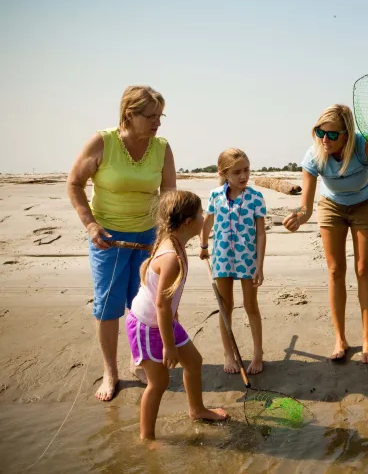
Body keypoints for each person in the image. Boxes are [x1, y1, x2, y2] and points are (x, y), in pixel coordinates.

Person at [67, 85, 177, 401]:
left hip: (149, 237)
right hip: (109, 238)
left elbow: (168, 194)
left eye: (160, 115)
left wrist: (166, 237)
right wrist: (90, 224)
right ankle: (110, 371)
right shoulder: (102, 142)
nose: (157, 122)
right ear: (129, 114)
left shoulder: (162, 147)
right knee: (108, 305)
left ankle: (138, 360)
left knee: (142, 303)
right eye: (150, 116)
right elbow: (74, 184)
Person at [282, 104, 368, 364]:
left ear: (347, 134)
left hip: (365, 203)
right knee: (335, 270)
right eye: (321, 133)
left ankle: (367, 340)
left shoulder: (366, 145)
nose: (325, 140)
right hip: (331, 205)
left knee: (364, 269)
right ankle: (340, 338)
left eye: (332, 135)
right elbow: (306, 208)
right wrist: (298, 217)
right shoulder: (314, 155)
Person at [126, 190, 228, 440]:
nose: (204, 217)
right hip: (146, 326)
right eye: (201, 214)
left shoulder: (177, 243)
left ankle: (197, 409)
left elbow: (169, 298)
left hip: (165, 321)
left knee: (193, 361)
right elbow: (161, 304)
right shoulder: (171, 256)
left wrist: (175, 318)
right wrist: (169, 346)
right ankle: (146, 437)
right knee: (158, 383)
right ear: (187, 223)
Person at [200, 148, 267, 375]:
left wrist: (259, 264)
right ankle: (229, 354)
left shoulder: (256, 197)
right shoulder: (215, 195)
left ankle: (258, 355)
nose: (243, 176)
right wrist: (203, 246)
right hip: (222, 259)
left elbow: (260, 233)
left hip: (247, 259)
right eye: (237, 172)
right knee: (225, 307)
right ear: (224, 173)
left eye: (246, 170)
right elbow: (207, 223)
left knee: (251, 306)